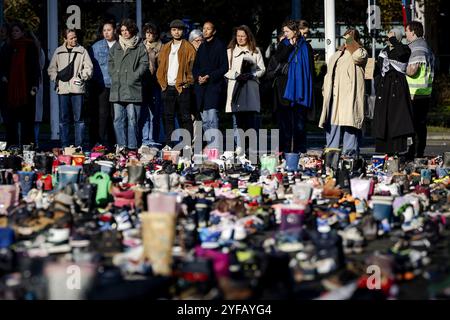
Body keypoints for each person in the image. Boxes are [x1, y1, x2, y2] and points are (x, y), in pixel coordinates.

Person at [318, 28, 368, 157]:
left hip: (349, 97)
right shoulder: (337, 54)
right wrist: (325, 90)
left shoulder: (360, 52)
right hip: (334, 96)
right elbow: (329, 74)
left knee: (350, 126)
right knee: (332, 126)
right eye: (346, 38)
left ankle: (349, 156)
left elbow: (358, 57)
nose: (347, 41)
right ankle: (331, 154)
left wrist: (350, 42)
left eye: (350, 38)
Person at [266, 20, 313, 154]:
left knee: (300, 123)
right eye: (284, 31)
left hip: (300, 88)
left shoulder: (305, 46)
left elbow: (309, 69)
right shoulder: (284, 44)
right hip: (284, 88)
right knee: (285, 123)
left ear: (295, 31)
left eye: (287, 31)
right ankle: (284, 151)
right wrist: (289, 47)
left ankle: (300, 150)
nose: (285, 34)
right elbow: (279, 59)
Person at [48, 28, 93, 148]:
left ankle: (79, 146)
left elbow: (89, 67)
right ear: (65, 39)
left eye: (75, 37)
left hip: (77, 89)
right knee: (64, 119)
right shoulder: (58, 51)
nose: (74, 39)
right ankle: (65, 145)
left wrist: (81, 76)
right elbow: (51, 68)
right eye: (71, 38)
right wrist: (56, 78)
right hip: (63, 89)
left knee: (79, 119)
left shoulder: (81, 50)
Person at [109, 19, 149, 153]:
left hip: (133, 87)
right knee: (117, 119)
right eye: (122, 30)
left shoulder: (139, 46)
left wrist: (134, 76)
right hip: (118, 88)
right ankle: (121, 146)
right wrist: (114, 75)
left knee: (133, 119)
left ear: (132, 30)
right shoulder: (116, 46)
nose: (125, 33)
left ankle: (132, 147)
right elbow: (110, 62)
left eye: (127, 30)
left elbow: (144, 63)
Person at [225, 25, 266, 155]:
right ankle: (239, 146)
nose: (240, 38)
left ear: (248, 36)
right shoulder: (230, 52)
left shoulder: (256, 51)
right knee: (237, 119)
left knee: (251, 119)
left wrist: (252, 75)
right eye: (238, 36)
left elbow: (262, 69)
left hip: (250, 89)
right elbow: (226, 71)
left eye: (243, 36)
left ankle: (251, 146)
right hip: (236, 89)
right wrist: (236, 75)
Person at [373, 29, 414, 155]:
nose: (388, 37)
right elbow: (378, 69)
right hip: (384, 88)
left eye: (392, 35)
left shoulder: (404, 48)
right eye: (388, 35)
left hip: (397, 87)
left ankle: (397, 149)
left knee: (396, 118)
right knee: (383, 118)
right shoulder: (383, 51)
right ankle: (385, 149)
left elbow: (403, 55)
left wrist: (394, 41)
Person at [156, 19, 196, 148]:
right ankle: (169, 143)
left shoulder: (188, 47)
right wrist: (162, 83)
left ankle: (187, 144)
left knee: (184, 117)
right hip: (168, 86)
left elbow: (192, 66)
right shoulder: (166, 47)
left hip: (182, 87)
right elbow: (160, 64)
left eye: (179, 29)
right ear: (171, 31)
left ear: (183, 31)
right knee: (168, 117)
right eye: (174, 29)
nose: (176, 32)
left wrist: (188, 82)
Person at [1, 22, 40, 147]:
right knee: (10, 119)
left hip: (26, 88)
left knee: (27, 118)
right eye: (12, 31)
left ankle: (27, 145)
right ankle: (12, 144)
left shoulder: (30, 46)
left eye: (17, 31)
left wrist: (34, 84)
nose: (14, 33)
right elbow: (1, 65)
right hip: (10, 88)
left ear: (23, 32)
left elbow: (35, 66)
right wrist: (3, 76)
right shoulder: (7, 46)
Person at [192, 21, 228, 146]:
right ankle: (210, 145)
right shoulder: (201, 47)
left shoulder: (220, 46)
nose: (205, 31)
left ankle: (215, 147)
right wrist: (198, 77)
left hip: (213, 87)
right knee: (205, 120)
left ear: (214, 31)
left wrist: (209, 76)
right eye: (204, 28)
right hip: (201, 87)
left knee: (212, 117)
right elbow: (195, 66)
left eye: (208, 29)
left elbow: (224, 67)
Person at [405, 21, 435, 159]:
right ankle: (418, 151)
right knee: (420, 125)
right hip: (425, 92)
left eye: (407, 31)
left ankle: (414, 153)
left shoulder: (417, 47)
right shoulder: (426, 46)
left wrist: (401, 68)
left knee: (414, 125)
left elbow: (412, 70)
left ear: (413, 32)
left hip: (415, 93)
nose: (405, 33)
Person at [88, 20, 117, 149]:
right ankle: (99, 141)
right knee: (102, 115)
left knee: (116, 115)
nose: (106, 33)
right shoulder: (96, 46)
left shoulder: (120, 45)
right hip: (102, 86)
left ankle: (114, 142)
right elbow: (92, 66)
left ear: (114, 30)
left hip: (117, 85)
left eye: (109, 30)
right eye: (104, 30)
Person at [139, 22, 164, 149]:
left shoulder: (161, 47)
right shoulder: (140, 46)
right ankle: (145, 139)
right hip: (143, 83)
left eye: (152, 33)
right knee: (144, 113)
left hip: (156, 83)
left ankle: (154, 138)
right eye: (147, 33)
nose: (149, 36)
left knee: (155, 113)